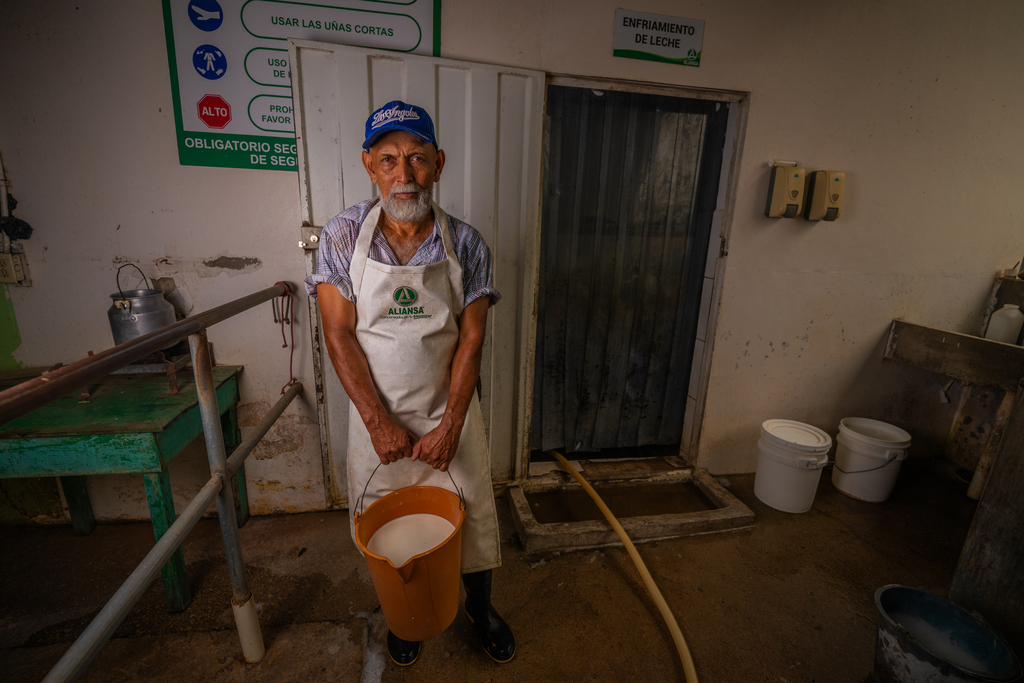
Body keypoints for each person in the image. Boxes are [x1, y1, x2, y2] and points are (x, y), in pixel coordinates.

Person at [304, 100, 516, 667]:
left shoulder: (466, 244)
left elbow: (470, 342)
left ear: (439, 163)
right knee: (389, 522)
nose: (405, 175)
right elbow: (338, 332)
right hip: (378, 419)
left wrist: (451, 424)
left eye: (418, 159)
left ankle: (480, 608)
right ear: (370, 163)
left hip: (451, 412)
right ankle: (407, 615)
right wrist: (377, 421)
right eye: (391, 159)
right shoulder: (344, 237)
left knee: (471, 512)